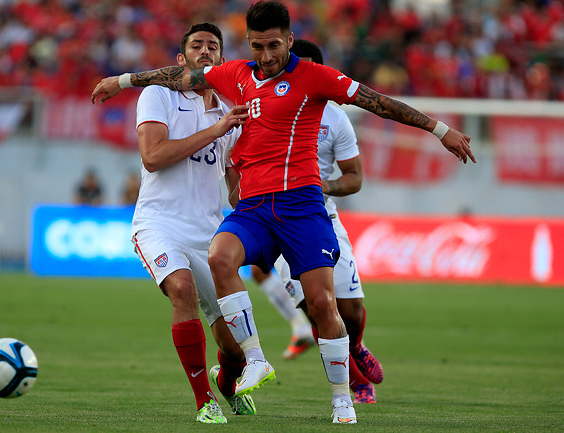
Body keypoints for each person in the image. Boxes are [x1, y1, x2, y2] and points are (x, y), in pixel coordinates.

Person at [91, 1, 475, 424]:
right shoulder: (234, 74)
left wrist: (440, 130)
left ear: (289, 40)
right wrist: (123, 80)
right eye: (258, 46)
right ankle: (256, 360)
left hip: (302, 207)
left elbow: (377, 101)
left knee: (323, 305)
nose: (267, 56)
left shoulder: (313, 76)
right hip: (254, 209)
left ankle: (342, 399)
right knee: (221, 257)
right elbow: (177, 76)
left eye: (274, 45)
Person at [128, 23, 254, 424]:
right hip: (158, 222)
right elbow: (154, 156)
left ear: (221, 60)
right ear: (181, 60)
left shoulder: (228, 112)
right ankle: (204, 402)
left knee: (236, 351)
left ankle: (227, 382)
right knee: (180, 289)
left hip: (210, 235)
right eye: (196, 46)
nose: (205, 51)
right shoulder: (158, 95)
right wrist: (216, 130)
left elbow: (236, 188)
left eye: (213, 47)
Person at [280, 38, 383, 403]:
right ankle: (356, 383)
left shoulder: (335, 117)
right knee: (317, 308)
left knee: (350, 310)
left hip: (322, 216)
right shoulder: (265, 105)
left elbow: (354, 177)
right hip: (278, 222)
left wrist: (322, 185)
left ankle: (356, 346)